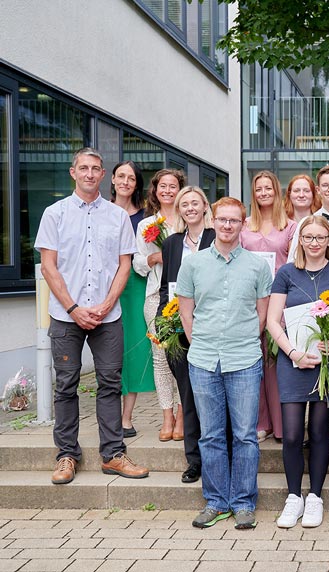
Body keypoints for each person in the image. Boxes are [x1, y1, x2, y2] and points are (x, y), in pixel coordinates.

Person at [35, 147, 149, 484]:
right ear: (73, 172)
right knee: (67, 384)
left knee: (110, 384)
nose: (89, 174)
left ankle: (113, 454)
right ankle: (67, 455)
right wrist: (73, 307)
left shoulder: (117, 217)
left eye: (95, 169)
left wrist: (104, 304)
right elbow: (48, 265)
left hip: (107, 316)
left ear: (103, 176)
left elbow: (124, 265)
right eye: (83, 168)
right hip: (66, 315)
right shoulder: (54, 214)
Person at [176, 197, 272, 530]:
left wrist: (241, 339)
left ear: (243, 224)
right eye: (222, 220)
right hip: (203, 359)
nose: (228, 225)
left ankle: (244, 503)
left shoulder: (259, 266)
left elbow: (262, 314)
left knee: (245, 435)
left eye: (234, 220)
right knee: (211, 435)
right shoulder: (193, 264)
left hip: (244, 358)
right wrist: (200, 341)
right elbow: (186, 311)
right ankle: (216, 501)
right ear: (211, 221)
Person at [266, 216, 329, 529]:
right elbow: (273, 320)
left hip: (327, 363)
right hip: (293, 361)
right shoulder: (286, 273)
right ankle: (293, 497)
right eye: (308, 237)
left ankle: (315, 497)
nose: (314, 243)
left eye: (320, 238)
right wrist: (293, 353)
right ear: (299, 240)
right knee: (290, 435)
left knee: (319, 431)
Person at [159, 186, 216, 484]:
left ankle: (217, 456)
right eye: (185, 204)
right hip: (178, 331)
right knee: (189, 396)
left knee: (214, 397)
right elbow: (165, 287)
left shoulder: (216, 238)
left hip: (213, 328)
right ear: (179, 210)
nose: (190, 208)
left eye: (196, 203)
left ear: (206, 207)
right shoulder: (171, 244)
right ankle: (194, 460)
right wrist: (160, 325)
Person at [241, 170, 298, 443]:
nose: (264, 193)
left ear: (276, 191)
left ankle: (282, 425)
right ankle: (261, 422)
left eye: (268, 188)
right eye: (259, 189)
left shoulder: (289, 226)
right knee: (255, 364)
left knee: (276, 364)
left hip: (279, 301)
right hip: (249, 301)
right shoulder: (244, 225)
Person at [134, 168, 184, 442]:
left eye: (172, 185)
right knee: (161, 358)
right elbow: (138, 264)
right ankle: (167, 415)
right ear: (154, 191)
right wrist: (156, 259)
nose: (167, 190)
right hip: (157, 296)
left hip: (187, 298)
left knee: (184, 357)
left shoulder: (190, 218)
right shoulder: (147, 225)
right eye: (162, 186)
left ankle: (184, 413)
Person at [110, 160, 155, 437]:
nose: (126, 181)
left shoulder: (147, 218)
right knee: (110, 353)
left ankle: (126, 418)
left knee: (134, 352)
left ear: (137, 184)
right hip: (105, 287)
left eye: (132, 178)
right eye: (121, 176)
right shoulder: (100, 211)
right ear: (113, 179)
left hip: (136, 287)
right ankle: (109, 414)